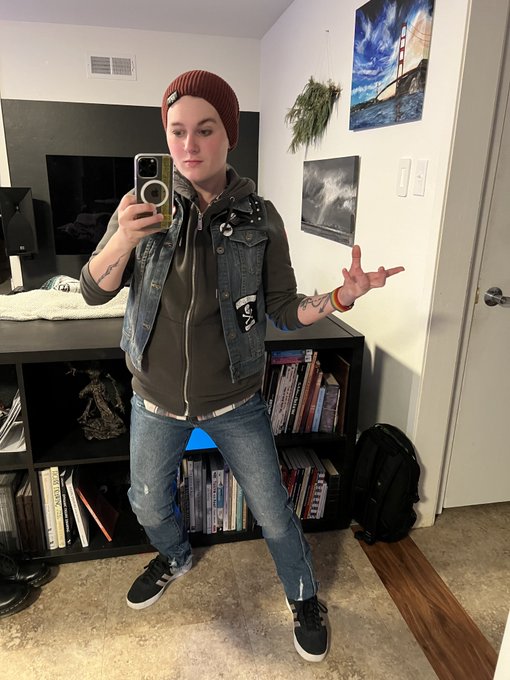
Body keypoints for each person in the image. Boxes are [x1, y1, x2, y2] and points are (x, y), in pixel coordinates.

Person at [80, 69, 404, 663]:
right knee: (147, 502)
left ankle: (304, 596)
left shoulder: (263, 218)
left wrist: (340, 298)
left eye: (205, 130)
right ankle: (175, 556)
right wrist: (122, 239)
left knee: (274, 512)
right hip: (154, 399)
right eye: (177, 131)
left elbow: (283, 310)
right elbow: (92, 290)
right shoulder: (140, 206)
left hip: (235, 401)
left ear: (230, 134)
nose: (188, 145)